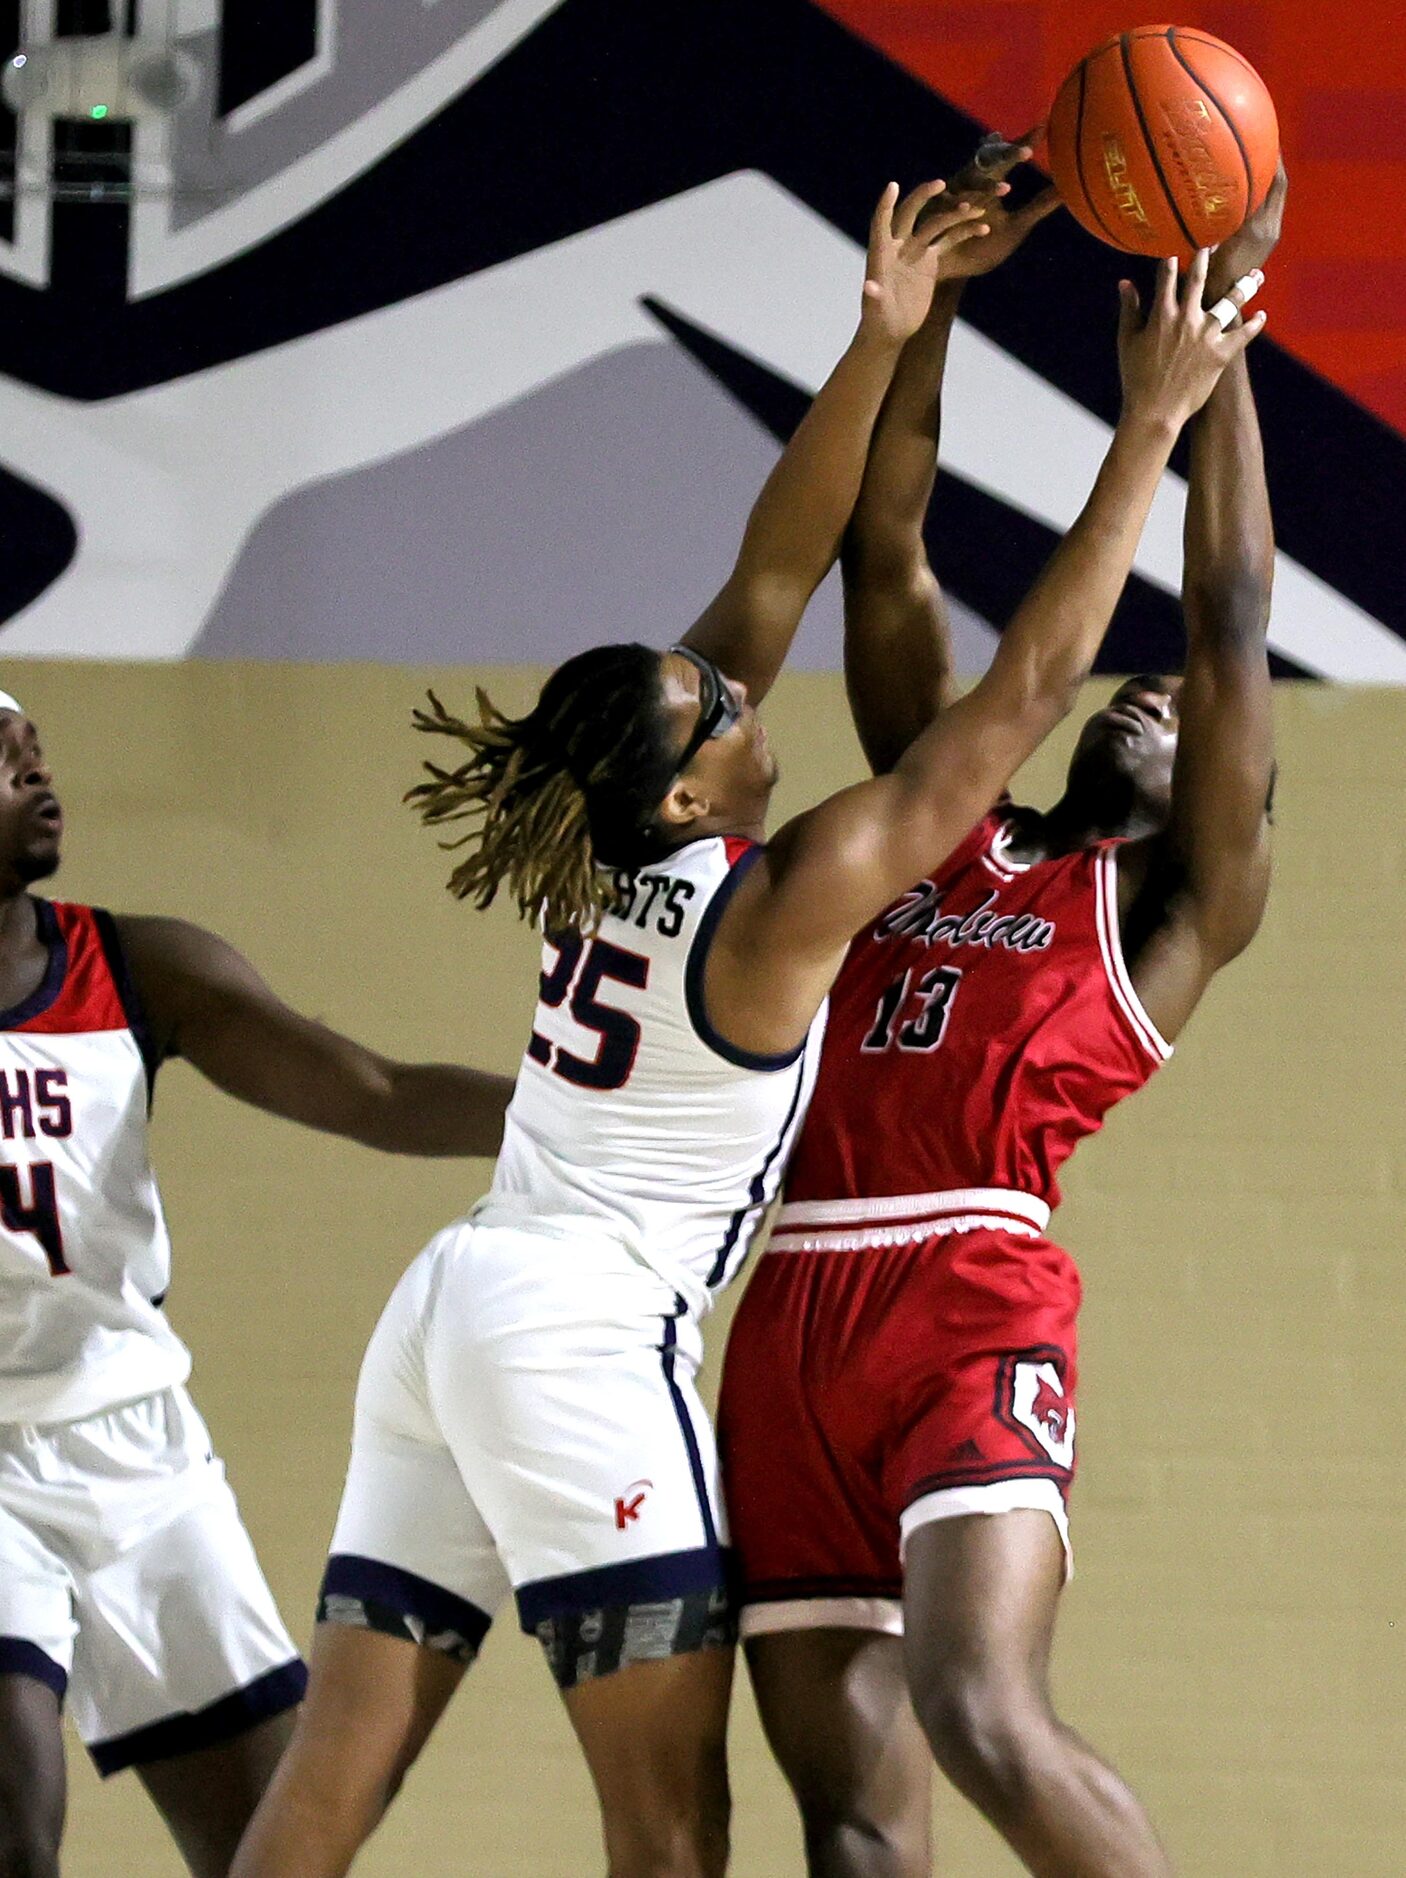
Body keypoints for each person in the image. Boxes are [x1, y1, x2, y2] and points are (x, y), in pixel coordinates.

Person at [229, 166, 1259, 1878]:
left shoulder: (600, 842)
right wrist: (1147, 425)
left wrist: (888, 328)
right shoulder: (777, 900)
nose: (737, 678)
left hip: (448, 1305)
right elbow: (1014, 696)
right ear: (698, 774)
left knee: (334, 1775)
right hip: (581, 1335)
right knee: (677, 1817)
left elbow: (780, 558)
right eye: (719, 699)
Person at [717, 168, 1287, 1878]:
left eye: (1194, 722)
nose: (1157, 694)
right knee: (856, 1832)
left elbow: (1230, 614)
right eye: (1152, 694)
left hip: (968, 1293)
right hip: (792, 1298)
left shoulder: (1171, 915)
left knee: (978, 1707)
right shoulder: (940, 818)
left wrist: (1220, 353)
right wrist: (945, 291)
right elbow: (886, 553)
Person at [0, 694, 516, 1878]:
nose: (36, 772)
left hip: (133, 1450)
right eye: (1, 760)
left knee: (274, 1853)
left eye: (38, 750)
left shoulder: (136, 967)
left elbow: (372, 1095)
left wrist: (583, 1123)